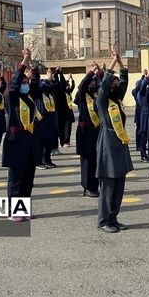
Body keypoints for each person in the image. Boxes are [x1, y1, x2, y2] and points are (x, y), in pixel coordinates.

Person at [95, 48, 133, 233]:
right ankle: (104, 220)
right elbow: (103, 87)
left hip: (120, 143)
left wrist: (120, 63)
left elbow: (125, 81)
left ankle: (114, 218)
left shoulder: (117, 101)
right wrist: (110, 66)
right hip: (108, 144)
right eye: (114, 83)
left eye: (117, 83)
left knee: (119, 184)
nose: (117, 85)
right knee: (108, 185)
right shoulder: (102, 102)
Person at [2, 49, 39, 222]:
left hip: (29, 142)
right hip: (15, 142)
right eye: (23, 82)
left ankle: (24, 208)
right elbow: (15, 83)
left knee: (27, 178)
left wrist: (32, 67)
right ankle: (13, 210)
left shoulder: (29, 99)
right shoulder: (12, 98)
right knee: (16, 178)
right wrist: (25, 60)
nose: (25, 84)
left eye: (27, 82)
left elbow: (36, 82)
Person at [75, 63, 102, 197]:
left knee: (95, 159)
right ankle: (87, 187)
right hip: (85, 132)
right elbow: (83, 85)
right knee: (87, 161)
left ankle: (94, 185)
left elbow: (102, 85)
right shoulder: (81, 97)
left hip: (96, 131)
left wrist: (100, 72)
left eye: (93, 83)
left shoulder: (95, 96)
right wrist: (91, 72)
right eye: (90, 83)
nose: (92, 84)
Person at [35, 67, 59, 169]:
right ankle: (39, 161)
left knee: (49, 142)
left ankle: (47, 160)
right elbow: (40, 87)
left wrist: (53, 79)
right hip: (41, 121)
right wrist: (46, 79)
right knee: (41, 142)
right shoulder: (39, 94)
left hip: (50, 120)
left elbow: (56, 87)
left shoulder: (50, 95)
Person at [57, 70, 76, 148]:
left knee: (69, 128)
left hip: (69, 112)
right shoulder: (62, 92)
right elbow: (63, 84)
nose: (68, 86)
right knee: (64, 128)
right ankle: (63, 142)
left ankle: (67, 142)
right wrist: (67, 78)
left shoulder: (69, 92)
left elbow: (73, 86)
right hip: (63, 113)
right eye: (67, 85)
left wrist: (72, 79)